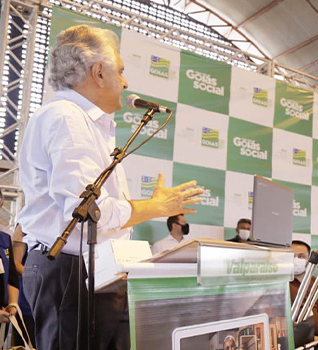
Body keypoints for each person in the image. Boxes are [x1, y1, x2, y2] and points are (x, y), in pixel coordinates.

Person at [17, 25, 203, 350]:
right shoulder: (67, 119)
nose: (127, 82)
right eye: (121, 70)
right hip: (70, 272)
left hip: (92, 270)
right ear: (98, 72)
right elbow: (93, 213)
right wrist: (155, 207)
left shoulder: (83, 121)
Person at [289, 240, 318, 336]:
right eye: (292, 256)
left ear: (309, 259)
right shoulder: (282, 284)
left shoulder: (314, 282)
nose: (296, 259)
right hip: (297, 340)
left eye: (301, 256)